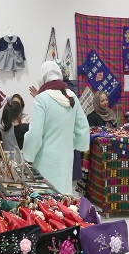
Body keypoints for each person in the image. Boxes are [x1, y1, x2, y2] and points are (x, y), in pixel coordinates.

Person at [23, 61, 90, 194]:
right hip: (66, 160)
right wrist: (72, 144)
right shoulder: (71, 97)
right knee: (63, 198)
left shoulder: (41, 99)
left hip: (44, 161)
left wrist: (28, 157)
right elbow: (83, 129)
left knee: (46, 200)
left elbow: (35, 134)